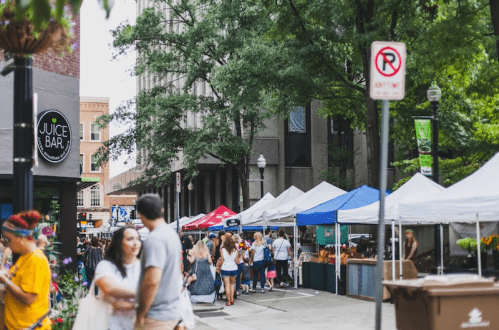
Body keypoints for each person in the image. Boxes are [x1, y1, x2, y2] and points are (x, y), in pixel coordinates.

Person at [135, 194, 182, 330]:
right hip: (171, 312)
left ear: (140, 215)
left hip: (156, 316)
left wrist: (141, 312)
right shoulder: (172, 235)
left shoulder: (155, 239)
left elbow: (152, 280)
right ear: (162, 210)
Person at [0, 211, 51, 330]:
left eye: (8, 239)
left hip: (29, 327)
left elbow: (28, 298)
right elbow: (16, 279)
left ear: (19, 237)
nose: (7, 244)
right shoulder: (24, 257)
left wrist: (4, 281)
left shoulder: (35, 259)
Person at [95, 227, 142, 330]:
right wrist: (144, 295)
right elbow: (110, 288)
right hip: (112, 325)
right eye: (130, 239)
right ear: (119, 243)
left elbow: (159, 294)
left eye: (137, 239)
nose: (135, 243)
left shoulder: (146, 267)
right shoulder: (106, 265)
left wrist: (131, 305)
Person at [217, 235, 240, 306]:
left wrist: (218, 266)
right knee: (232, 285)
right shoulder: (235, 251)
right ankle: (232, 299)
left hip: (225, 268)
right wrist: (240, 257)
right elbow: (237, 261)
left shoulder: (223, 250)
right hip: (233, 267)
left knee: (227, 285)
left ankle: (228, 301)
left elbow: (222, 260)